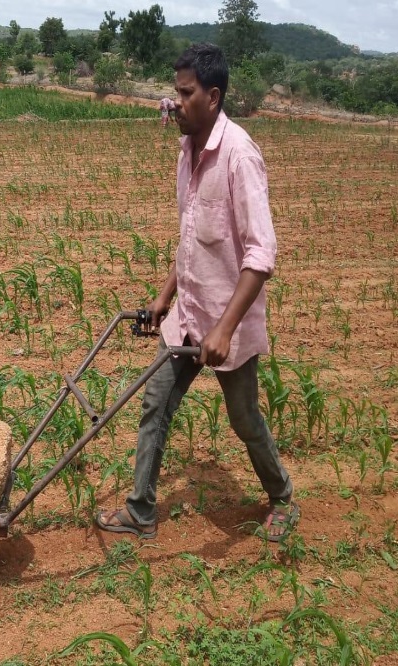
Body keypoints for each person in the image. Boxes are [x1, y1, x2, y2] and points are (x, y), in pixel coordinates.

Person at [97, 43, 299, 543]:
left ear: (212, 97)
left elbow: (260, 256)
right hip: (186, 314)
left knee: (244, 419)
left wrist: (224, 329)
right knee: (155, 405)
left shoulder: (240, 157)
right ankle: (141, 510)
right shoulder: (186, 153)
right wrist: (164, 298)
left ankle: (282, 496)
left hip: (226, 324)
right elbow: (192, 239)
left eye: (185, 94)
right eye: (175, 92)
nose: (176, 102)